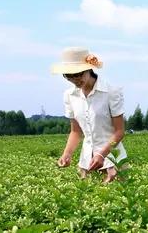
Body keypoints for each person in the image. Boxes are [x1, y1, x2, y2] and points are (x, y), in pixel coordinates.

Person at [51, 47, 128, 183]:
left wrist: (102, 154)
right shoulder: (70, 95)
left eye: (78, 74)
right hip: (87, 162)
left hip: (113, 160)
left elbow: (119, 132)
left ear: (89, 69)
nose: (74, 80)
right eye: (68, 76)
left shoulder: (111, 92)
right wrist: (67, 154)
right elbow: (76, 131)